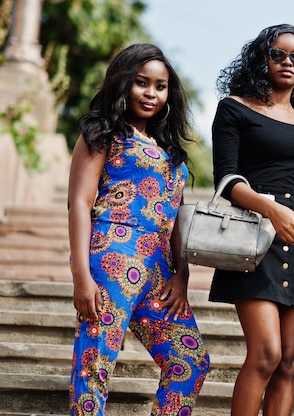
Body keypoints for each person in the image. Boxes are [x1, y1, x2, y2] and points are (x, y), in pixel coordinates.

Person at [67, 43, 210, 415]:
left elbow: (176, 215)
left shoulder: (168, 149)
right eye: (141, 83)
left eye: (160, 86)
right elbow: (80, 203)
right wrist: (81, 275)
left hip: (160, 271)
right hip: (111, 257)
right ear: (123, 82)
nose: (151, 93)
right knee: (94, 364)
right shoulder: (102, 133)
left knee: (190, 362)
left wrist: (182, 272)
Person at [209, 24, 294, 416]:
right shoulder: (234, 107)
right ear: (261, 57)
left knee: (289, 362)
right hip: (254, 235)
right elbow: (226, 180)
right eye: (278, 53)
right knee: (266, 353)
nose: (287, 62)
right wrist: (272, 209)